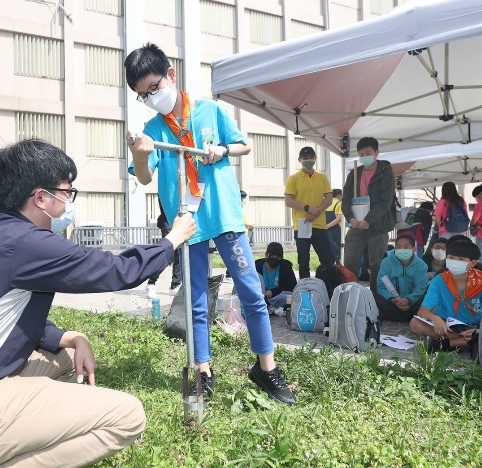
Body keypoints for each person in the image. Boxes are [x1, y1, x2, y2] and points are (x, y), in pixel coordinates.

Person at [0, 139, 197, 466]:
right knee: (127, 416)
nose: (68, 202)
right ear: (41, 198)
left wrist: (71, 338)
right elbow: (121, 270)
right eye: (66, 192)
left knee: (65, 356)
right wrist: (172, 239)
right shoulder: (28, 243)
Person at [124, 43, 296, 405]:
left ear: (171, 75)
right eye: (143, 95)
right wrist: (140, 155)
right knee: (197, 300)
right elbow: (142, 177)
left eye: (154, 88)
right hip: (188, 223)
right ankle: (203, 372)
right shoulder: (152, 130)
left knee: (251, 289)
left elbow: (243, 145)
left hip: (225, 216)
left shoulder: (210, 111)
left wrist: (223, 149)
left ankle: (266, 369)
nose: (151, 97)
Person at [410, 239, 482, 353]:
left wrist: (478, 329)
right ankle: (468, 341)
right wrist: (436, 319)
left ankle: (448, 343)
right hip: (446, 325)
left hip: (475, 325)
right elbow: (422, 311)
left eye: (461, 259)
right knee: (415, 324)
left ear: (473, 263)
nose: (455, 261)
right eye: (451, 257)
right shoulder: (439, 280)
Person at [342, 137, 396, 292]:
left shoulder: (386, 172)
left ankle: (375, 300)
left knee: (377, 264)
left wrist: (369, 220)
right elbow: (346, 198)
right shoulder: (354, 173)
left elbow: (385, 202)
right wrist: (350, 218)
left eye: (368, 152)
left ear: (376, 152)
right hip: (356, 224)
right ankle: (350, 296)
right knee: (350, 262)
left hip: (378, 225)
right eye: (361, 154)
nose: (364, 156)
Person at [284, 146, 335, 279]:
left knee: (328, 260)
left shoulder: (322, 178)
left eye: (311, 158)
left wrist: (317, 211)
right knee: (303, 262)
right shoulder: (293, 179)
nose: (308, 160)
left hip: (319, 225)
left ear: (315, 159)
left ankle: (328, 286)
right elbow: (288, 201)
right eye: (305, 158)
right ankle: (305, 289)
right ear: (299, 160)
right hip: (301, 225)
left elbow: (329, 199)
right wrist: (307, 208)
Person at [374, 234, 429, 322]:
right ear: (395, 249)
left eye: (406, 247)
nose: (402, 250)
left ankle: (401, 315)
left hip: (412, 305)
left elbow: (421, 288)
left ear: (413, 249)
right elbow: (381, 287)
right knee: (371, 295)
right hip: (392, 304)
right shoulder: (386, 263)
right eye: (399, 247)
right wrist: (393, 300)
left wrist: (409, 299)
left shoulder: (421, 265)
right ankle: (407, 316)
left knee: (428, 291)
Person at [146, 199, 182, 299]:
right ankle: (151, 283)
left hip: (181, 222)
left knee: (179, 254)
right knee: (167, 253)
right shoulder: (167, 184)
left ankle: (175, 285)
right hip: (168, 221)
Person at [325, 188, 344, 264]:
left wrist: (324, 227)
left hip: (324, 231)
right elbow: (339, 218)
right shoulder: (339, 203)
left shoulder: (326, 203)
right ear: (339, 195)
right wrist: (328, 226)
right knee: (338, 251)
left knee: (328, 251)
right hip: (335, 231)